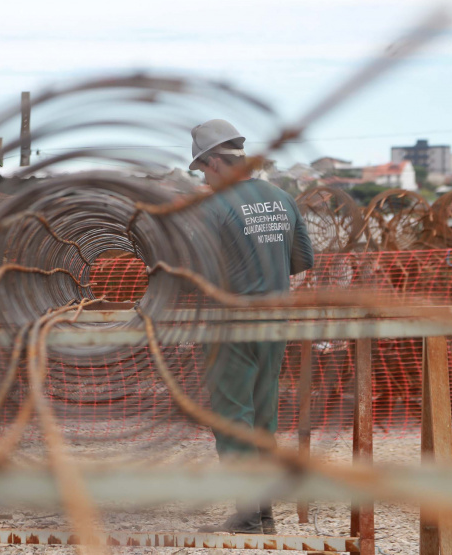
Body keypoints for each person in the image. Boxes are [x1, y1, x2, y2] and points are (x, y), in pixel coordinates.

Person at [190, 119, 314, 535]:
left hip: (230, 329)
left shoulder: (211, 206)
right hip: (275, 325)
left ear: (214, 161)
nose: (204, 179)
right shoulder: (282, 198)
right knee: (263, 420)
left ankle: (247, 516)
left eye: (203, 170)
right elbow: (301, 261)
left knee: (231, 419)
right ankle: (262, 514)